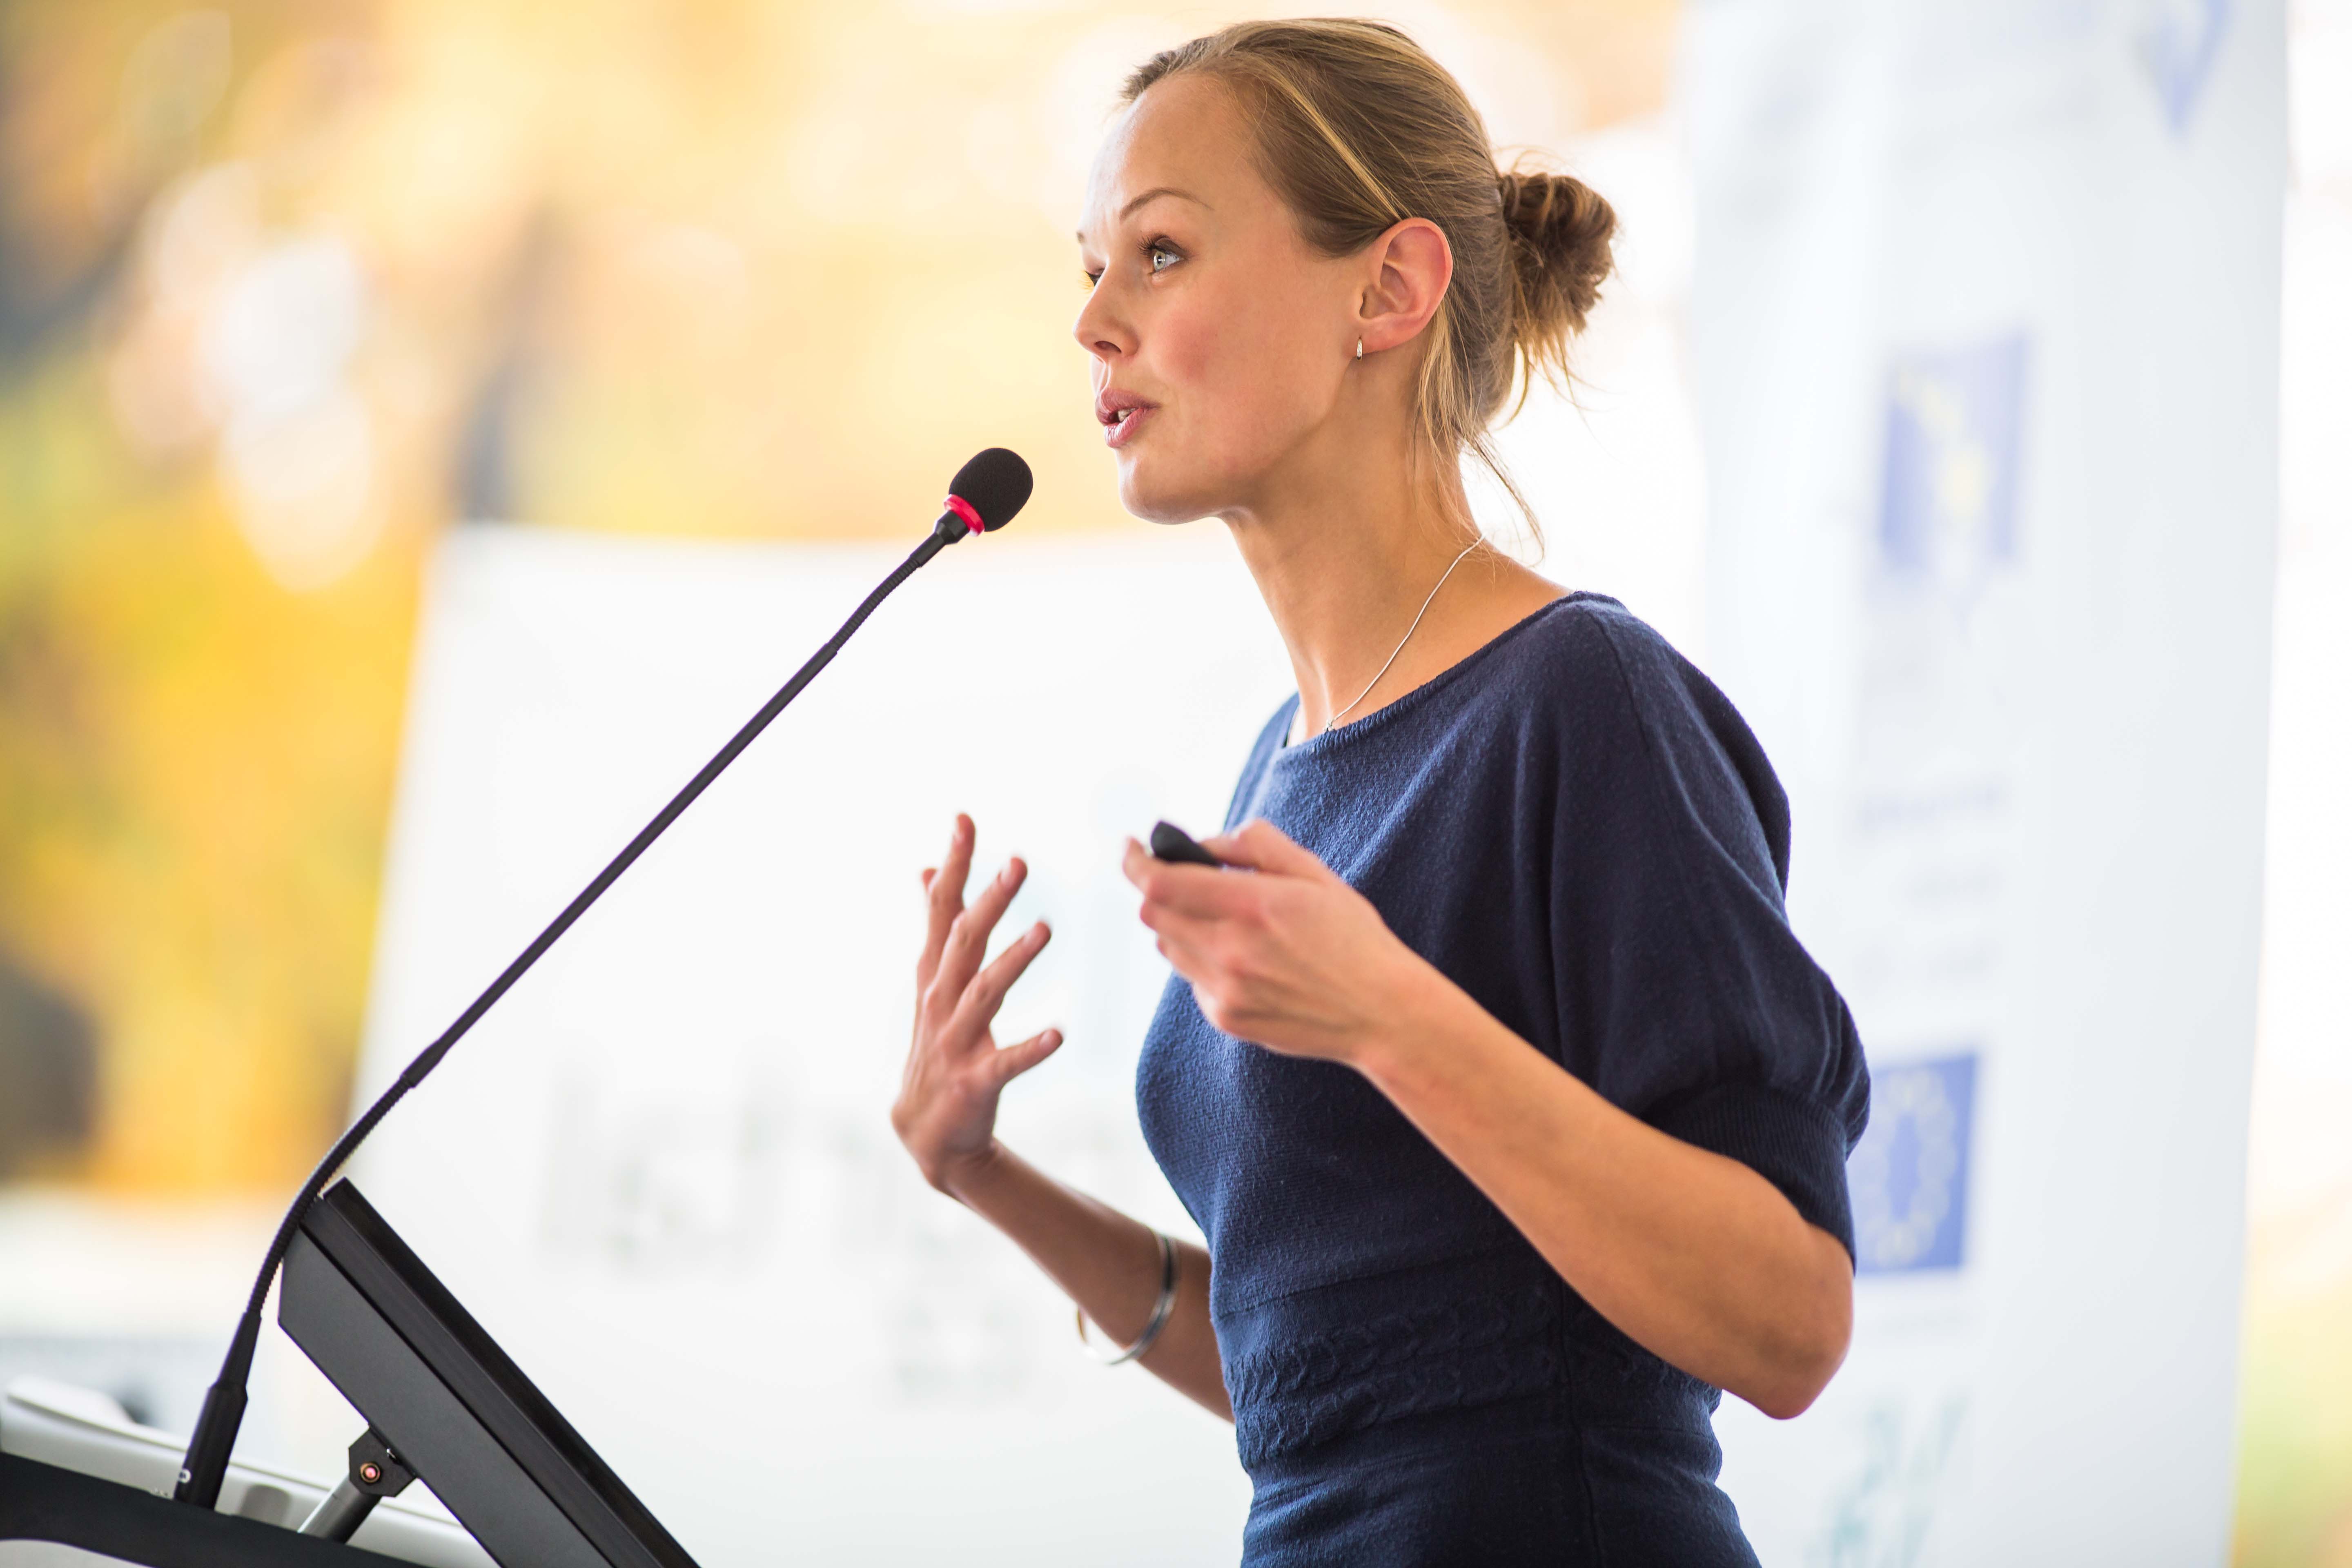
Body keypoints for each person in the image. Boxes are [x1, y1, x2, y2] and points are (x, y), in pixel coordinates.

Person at [889, 18, 1869, 1565]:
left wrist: (1389, 1020)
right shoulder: (1282, 762)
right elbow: (1341, 1394)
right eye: (1089, 266)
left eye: (1160, 252)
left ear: (1390, 289)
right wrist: (984, 1177)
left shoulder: (1581, 700)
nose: (1091, 319)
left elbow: (1791, 1322)